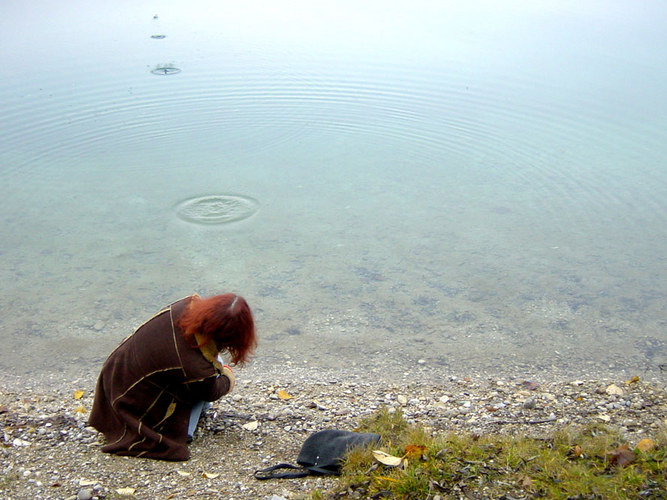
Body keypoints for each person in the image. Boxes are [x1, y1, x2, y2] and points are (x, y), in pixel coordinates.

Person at [88, 293, 256, 461]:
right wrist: (228, 377)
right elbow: (211, 391)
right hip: (128, 405)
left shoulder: (183, 306)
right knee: (207, 385)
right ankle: (186, 431)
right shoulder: (194, 366)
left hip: (114, 376)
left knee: (211, 365)